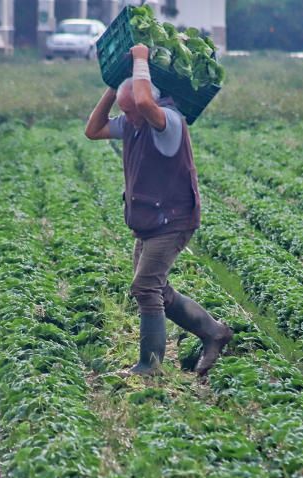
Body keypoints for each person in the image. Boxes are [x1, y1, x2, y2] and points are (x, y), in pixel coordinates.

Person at [84, 43, 232, 376]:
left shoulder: (168, 121)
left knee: (145, 288)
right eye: (127, 111)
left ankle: (149, 366)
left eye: (132, 110)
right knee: (157, 289)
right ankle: (214, 333)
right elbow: (93, 130)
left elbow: (144, 102)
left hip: (173, 219)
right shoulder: (134, 122)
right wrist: (112, 87)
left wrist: (139, 60)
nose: (128, 118)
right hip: (151, 220)